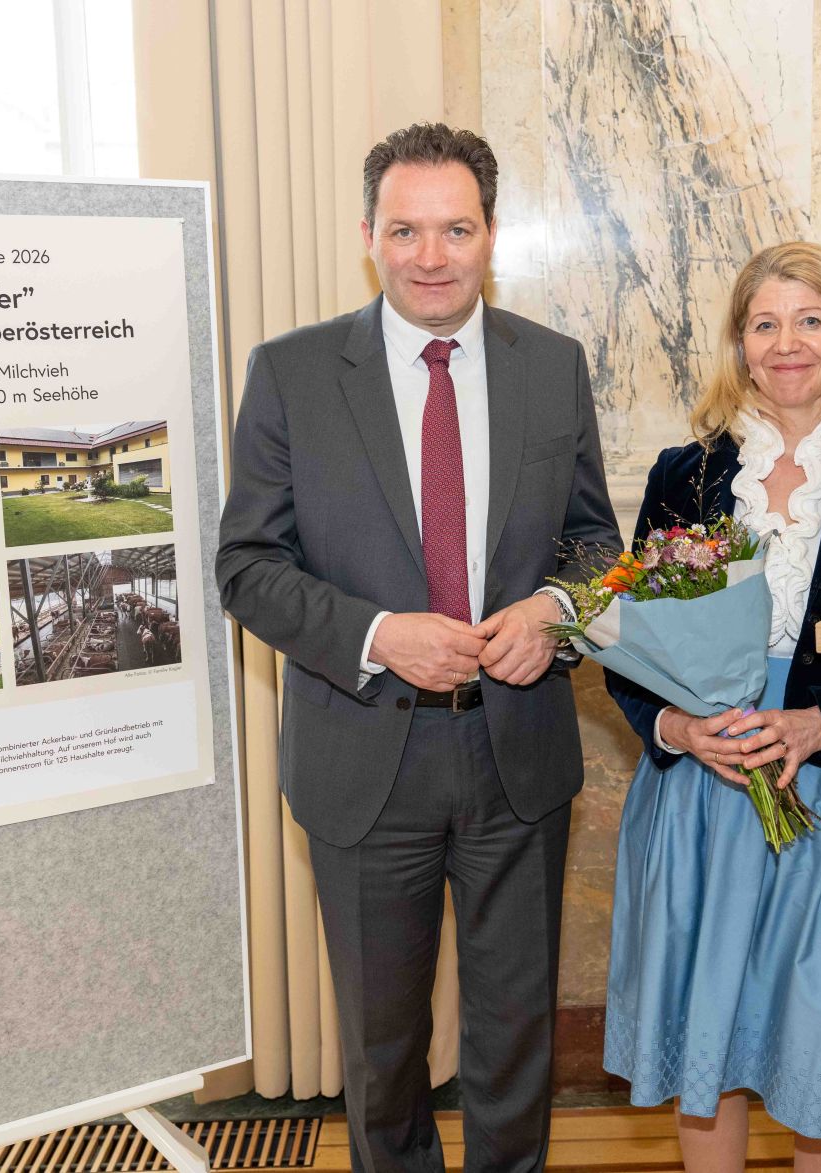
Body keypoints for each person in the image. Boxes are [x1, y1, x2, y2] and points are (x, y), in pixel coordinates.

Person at [216, 122, 619, 1173]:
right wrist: (380, 635)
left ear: (490, 234)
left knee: (513, 1038)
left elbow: (594, 545)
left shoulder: (552, 366)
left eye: (454, 229)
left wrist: (551, 613)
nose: (429, 256)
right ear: (368, 236)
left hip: (516, 754)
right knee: (382, 1050)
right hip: (362, 764)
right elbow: (246, 567)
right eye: (405, 230)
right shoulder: (293, 373)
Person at [601, 242, 821, 1169]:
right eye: (765, 323)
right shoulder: (684, 473)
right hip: (701, 800)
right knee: (707, 1057)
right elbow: (629, 650)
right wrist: (675, 728)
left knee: (817, 1058)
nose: (788, 342)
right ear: (740, 344)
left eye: (811, 320)